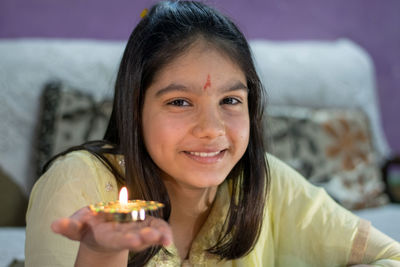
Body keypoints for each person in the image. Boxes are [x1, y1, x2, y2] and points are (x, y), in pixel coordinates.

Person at [25, 1, 400, 266]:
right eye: (179, 102)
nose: (211, 129)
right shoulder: (79, 185)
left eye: (231, 101)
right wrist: (100, 253)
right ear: (135, 107)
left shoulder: (264, 182)